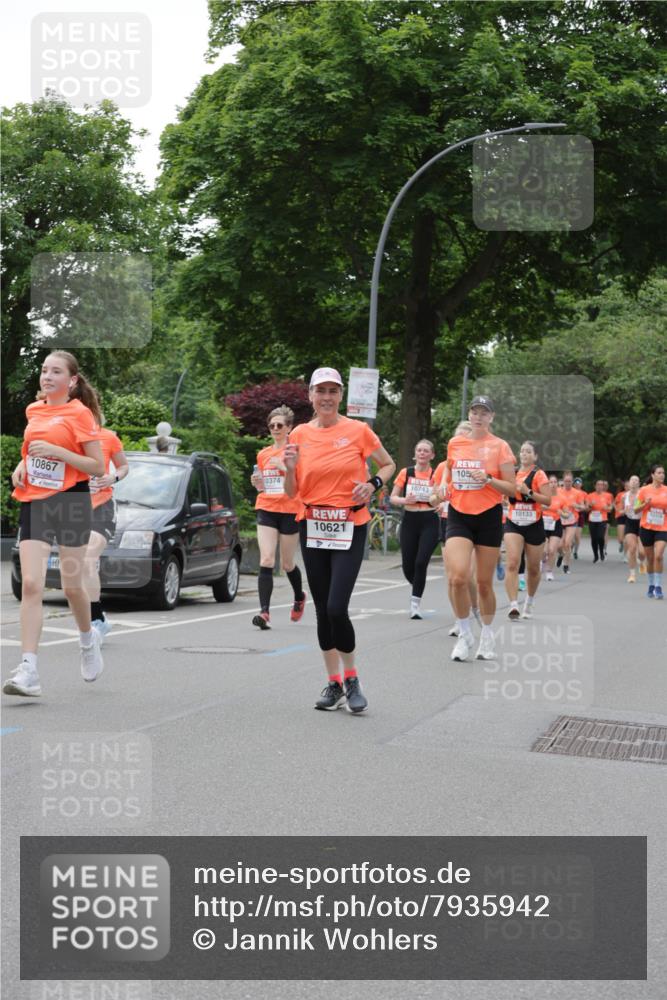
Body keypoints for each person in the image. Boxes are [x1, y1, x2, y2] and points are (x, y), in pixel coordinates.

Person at [284, 368, 395, 712]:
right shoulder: (299, 434)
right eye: (321, 391)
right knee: (322, 611)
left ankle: (352, 678)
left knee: (337, 607)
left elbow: (388, 464)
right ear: (310, 397)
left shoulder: (359, 431)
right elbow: (291, 492)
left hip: (350, 524)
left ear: (341, 396)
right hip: (313, 525)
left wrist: (372, 485)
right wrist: (288, 468)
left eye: (333, 391)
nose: (327, 397)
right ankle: (332, 684)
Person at [3, 351, 105, 698]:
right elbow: (30, 450)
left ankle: (88, 640)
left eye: (56, 371)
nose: (47, 376)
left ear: (71, 381)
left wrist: (60, 453)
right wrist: (22, 467)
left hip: (72, 502)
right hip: (36, 501)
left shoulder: (80, 414)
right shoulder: (34, 410)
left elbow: (97, 467)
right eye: (44, 370)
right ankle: (29, 669)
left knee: (71, 585)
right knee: (31, 584)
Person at [441, 396, 516, 662]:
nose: (478, 417)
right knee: (458, 577)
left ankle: (486, 634)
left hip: (488, 516)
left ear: (491, 418)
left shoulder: (500, 447)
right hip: (459, 514)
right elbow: (449, 474)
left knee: (484, 584)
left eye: (484, 413)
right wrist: (443, 487)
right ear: (469, 415)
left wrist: (488, 479)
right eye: (474, 412)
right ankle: (464, 634)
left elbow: (512, 487)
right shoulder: (455, 443)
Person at [250, 405, 306, 629]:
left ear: (289, 427)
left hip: (290, 510)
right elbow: (264, 485)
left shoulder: (296, 452)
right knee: (266, 559)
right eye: (272, 425)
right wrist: (258, 484)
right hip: (267, 507)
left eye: (280, 425)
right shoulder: (263, 454)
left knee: (287, 563)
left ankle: (299, 597)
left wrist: (283, 466)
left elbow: (302, 483)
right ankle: (264, 613)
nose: (275, 428)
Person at [433, 421, 482, 637]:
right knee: (452, 575)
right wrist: (437, 499)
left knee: (468, 575)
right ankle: (458, 618)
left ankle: (475, 610)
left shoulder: (480, 464)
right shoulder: (444, 467)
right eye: (459, 438)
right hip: (449, 519)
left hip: (473, 519)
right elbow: (434, 494)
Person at [84, 425, 129, 642]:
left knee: (87, 559)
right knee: (77, 569)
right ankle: (99, 617)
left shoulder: (108, 437)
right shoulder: (64, 437)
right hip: (73, 509)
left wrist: (113, 478)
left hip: (102, 507)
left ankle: (94, 621)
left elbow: (123, 466)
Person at [391, 439, 439, 619]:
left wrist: (433, 499)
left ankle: (415, 604)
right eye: (419, 450)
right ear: (415, 453)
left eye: (426, 451)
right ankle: (418, 585)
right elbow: (393, 497)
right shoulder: (406, 472)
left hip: (429, 519)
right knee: (407, 565)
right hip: (410, 519)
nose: (422, 453)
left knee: (421, 562)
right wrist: (405, 500)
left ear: (432, 455)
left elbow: (439, 497)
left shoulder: (435, 474)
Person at [504, 442, 552, 619]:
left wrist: (529, 492)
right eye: (522, 451)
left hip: (534, 523)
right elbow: (503, 493)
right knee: (512, 562)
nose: (524, 454)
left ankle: (529, 601)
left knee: (533, 568)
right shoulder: (511, 474)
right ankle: (513, 605)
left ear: (535, 456)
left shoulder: (539, 475)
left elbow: (548, 501)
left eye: (528, 451)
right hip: (513, 522)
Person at [635, 464, 667, 599]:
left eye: (663, 473)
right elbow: (636, 510)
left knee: (659, 555)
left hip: (663, 527)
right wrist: (645, 504)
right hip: (647, 527)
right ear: (653, 475)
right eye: (659, 473)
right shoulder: (644, 490)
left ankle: (659, 586)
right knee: (650, 558)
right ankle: (651, 584)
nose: (662, 475)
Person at [557, 472, 586, 574]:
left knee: (567, 543)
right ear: (563, 481)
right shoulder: (558, 491)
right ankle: (560, 555)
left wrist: (577, 506)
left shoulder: (577, 493)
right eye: (566, 481)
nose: (567, 483)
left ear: (572, 482)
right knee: (559, 545)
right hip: (560, 519)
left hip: (572, 520)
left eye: (569, 481)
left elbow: (583, 507)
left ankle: (566, 565)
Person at [542, 474, 565, 581]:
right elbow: (536, 507)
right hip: (543, 525)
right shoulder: (543, 495)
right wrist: (542, 507)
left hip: (556, 524)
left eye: (555, 482)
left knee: (551, 550)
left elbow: (567, 514)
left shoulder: (561, 497)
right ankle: (542, 562)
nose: (553, 484)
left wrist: (561, 513)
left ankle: (549, 571)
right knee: (544, 551)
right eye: (550, 482)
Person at [585, 480, 613, 563]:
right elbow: (586, 509)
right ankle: (595, 555)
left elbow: (611, 508)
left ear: (603, 487)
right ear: (595, 486)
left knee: (601, 537)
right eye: (598, 485)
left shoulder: (608, 496)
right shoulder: (590, 496)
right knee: (594, 538)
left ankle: (601, 551)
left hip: (602, 519)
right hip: (592, 519)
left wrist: (607, 508)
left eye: (602, 485)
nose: (600, 486)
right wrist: (590, 505)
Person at [622, 475, 644, 583]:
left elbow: (646, 507)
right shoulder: (624, 496)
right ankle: (632, 574)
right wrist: (625, 510)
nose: (634, 482)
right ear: (629, 483)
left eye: (636, 480)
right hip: (630, 522)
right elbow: (623, 511)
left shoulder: (642, 494)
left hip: (641, 523)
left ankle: (642, 561)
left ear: (639, 483)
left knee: (641, 552)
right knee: (632, 549)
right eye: (632, 480)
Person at [614, 481, 628, 554]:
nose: (627, 487)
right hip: (621, 516)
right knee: (620, 538)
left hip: (629, 516)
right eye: (626, 486)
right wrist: (618, 510)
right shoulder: (620, 494)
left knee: (627, 537)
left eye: (629, 485)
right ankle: (621, 544)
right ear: (624, 487)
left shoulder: (635, 494)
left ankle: (625, 555)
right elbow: (615, 503)